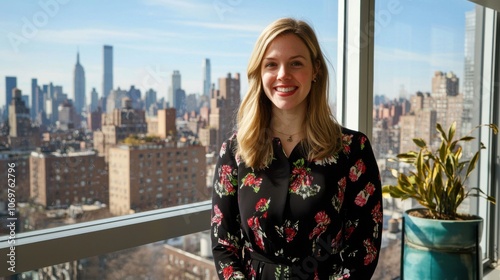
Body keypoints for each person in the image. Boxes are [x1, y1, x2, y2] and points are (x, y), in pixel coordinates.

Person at [211, 17, 382, 279]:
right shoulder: (235, 150)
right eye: (271, 64)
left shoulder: (352, 150)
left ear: (315, 71)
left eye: (296, 63)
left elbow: (364, 249)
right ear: (259, 73)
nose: (282, 75)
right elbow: (224, 244)